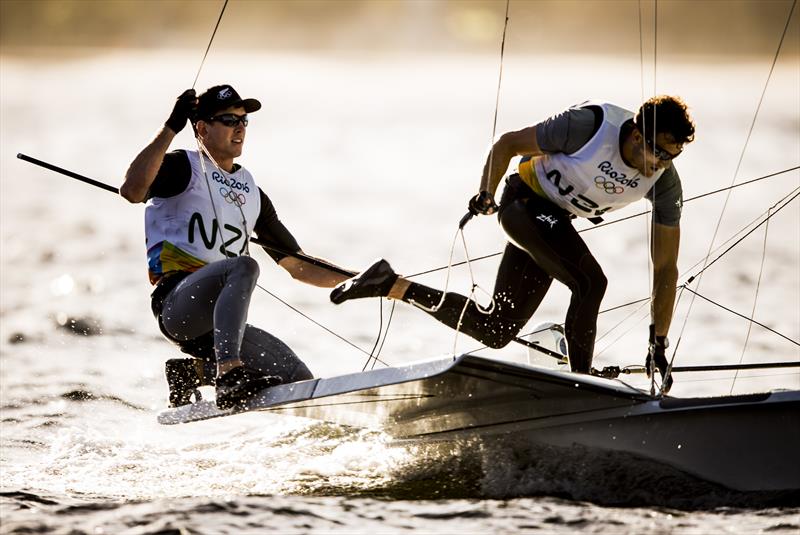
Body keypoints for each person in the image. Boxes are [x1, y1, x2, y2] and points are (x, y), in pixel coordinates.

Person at [330, 96, 695, 393]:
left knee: (496, 330)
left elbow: (666, 268)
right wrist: (485, 191)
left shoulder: (664, 184)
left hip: (553, 223)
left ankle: (390, 284)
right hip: (522, 204)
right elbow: (507, 143)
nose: (662, 164)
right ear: (635, 135)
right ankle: (582, 386)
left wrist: (658, 343)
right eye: (659, 153)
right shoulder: (587, 127)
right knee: (591, 283)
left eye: (672, 157)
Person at [120, 85, 351, 409]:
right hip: (177, 306)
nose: (239, 127)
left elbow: (297, 265)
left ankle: (197, 371)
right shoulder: (181, 166)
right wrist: (172, 127)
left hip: (220, 326)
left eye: (243, 120)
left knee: (300, 380)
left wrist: (357, 279)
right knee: (245, 264)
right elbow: (132, 190)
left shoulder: (252, 191)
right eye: (228, 119)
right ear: (202, 128)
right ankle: (228, 375)